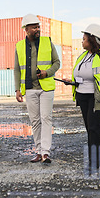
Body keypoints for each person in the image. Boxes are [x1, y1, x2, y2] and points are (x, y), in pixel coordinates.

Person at [66, 23, 100, 168]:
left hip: (98, 98)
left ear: (92, 39)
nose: (82, 41)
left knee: (94, 127)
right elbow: (81, 77)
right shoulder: (83, 56)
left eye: (84, 38)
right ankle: (97, 158)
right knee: (90, 128)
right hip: (82, 96)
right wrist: (71, 82)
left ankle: (95, 160)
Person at [14, 14, 60, 164]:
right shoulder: (19, 46)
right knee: (35, 121)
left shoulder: (47, 42)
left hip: (46, 87)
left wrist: (48, 73)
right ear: (26, 29)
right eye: (34, 27)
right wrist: (17, 89)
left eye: (38, 26)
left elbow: (57, 62)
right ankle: (39, 152)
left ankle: (46, 153)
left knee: (46, 118)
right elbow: (16, 69)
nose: (37, 29)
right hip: (29, 88)